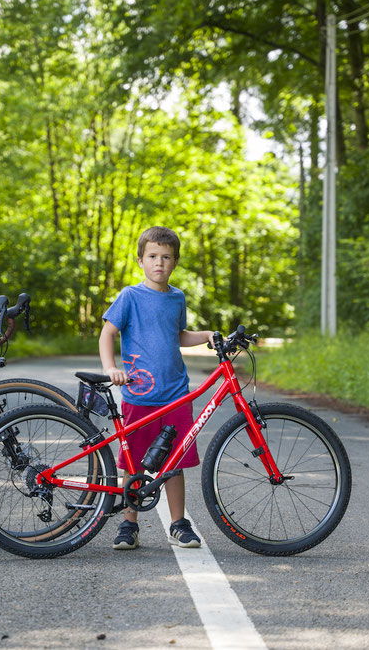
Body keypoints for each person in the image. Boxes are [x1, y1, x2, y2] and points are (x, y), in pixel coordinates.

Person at [98, 226, 214, 550]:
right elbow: (107, 334)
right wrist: (110, 368)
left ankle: (178, 524)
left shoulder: (177, 298)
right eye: (152, 256)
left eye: (166, 257)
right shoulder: (130, 297)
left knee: (174, 463)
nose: (159, 263)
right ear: (140, 260)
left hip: (176, 393)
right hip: (139, 394)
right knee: (133, 462)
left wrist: (204, 335)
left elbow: (178, 335)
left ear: (175, 262)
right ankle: (128, 524)